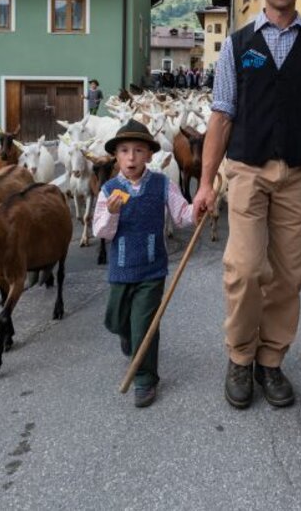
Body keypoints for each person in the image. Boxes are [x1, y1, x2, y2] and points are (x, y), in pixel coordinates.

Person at [192, 0, 301, 410]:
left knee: (288, 276)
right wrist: (204, 183)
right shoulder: (238, 46)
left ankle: (271, 361)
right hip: (245, 171)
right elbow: (221, 115)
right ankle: (240, 356)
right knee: (243, 268)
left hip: (299, 175)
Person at [93, 120, 196, 408]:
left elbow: (182, 216)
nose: (131, 157)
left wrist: (198, 207)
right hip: (121, 268)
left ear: (150, 155)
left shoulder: (163, 185)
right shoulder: (109, 190)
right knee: (115, 320)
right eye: (124, 151)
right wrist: (112, 213)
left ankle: (145, 379)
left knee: (145, 324)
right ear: (116, 156)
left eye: (139, 150)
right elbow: (100, 232)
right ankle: (127, 335)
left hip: (152, 268)